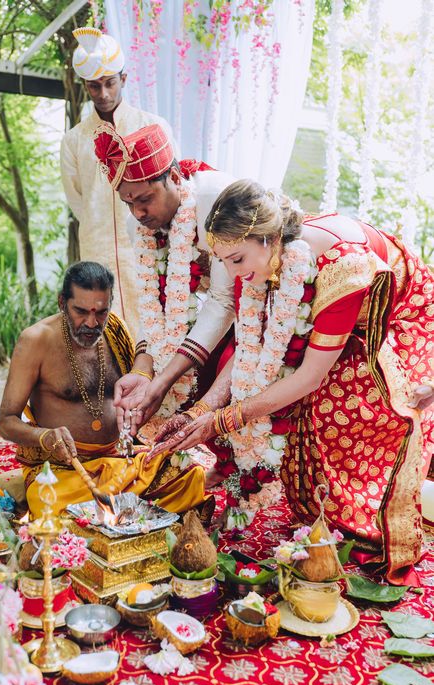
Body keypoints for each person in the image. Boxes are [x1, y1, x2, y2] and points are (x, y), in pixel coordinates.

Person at [150, 179, 434, 585]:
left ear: (268, 240)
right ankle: (317, 512)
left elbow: (308, 376)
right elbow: (253, 348)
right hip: (337, 318)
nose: (232, 273)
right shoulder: (269, 259)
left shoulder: (342, 268)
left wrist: (221, 422)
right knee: (290, 400)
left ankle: (363, 523)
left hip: (401, 316)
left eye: (237, 259)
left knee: (340, 402)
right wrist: (201, 409)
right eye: (223, 261)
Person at [0, 261, 207, 518]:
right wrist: (45, 437)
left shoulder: (115, 330)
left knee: (190, 476)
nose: (92, 322)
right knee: (48, 501)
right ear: (62, 302)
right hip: (66, 471)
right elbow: (6, 422)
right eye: (81, 311)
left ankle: (117, 519)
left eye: (101, 312)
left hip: (119, 460)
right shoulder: (36, 340)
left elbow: (137, 382)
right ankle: (130, 518)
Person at [93, 122, 236, 436]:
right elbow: (153, 308)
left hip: (277, 291)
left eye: (144, 198)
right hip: (227, 301)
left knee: (232, 361)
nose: (138, 212)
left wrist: (164, 380)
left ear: (173, 178)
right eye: (129, 203)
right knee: (194, 359)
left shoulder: (216, 200)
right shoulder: (140, 228)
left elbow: (224, 302)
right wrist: (143, 372)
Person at [60, 27, 177, 337]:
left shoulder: (152, 126)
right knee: (102, 331)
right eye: (94, 86)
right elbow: (77, 200)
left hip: (147, 245)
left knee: (154, 325)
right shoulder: (74, 140)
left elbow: (173, 188)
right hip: (97, 249)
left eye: (110, 83)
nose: (104, 94)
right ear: (85, 86)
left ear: (123, 79)